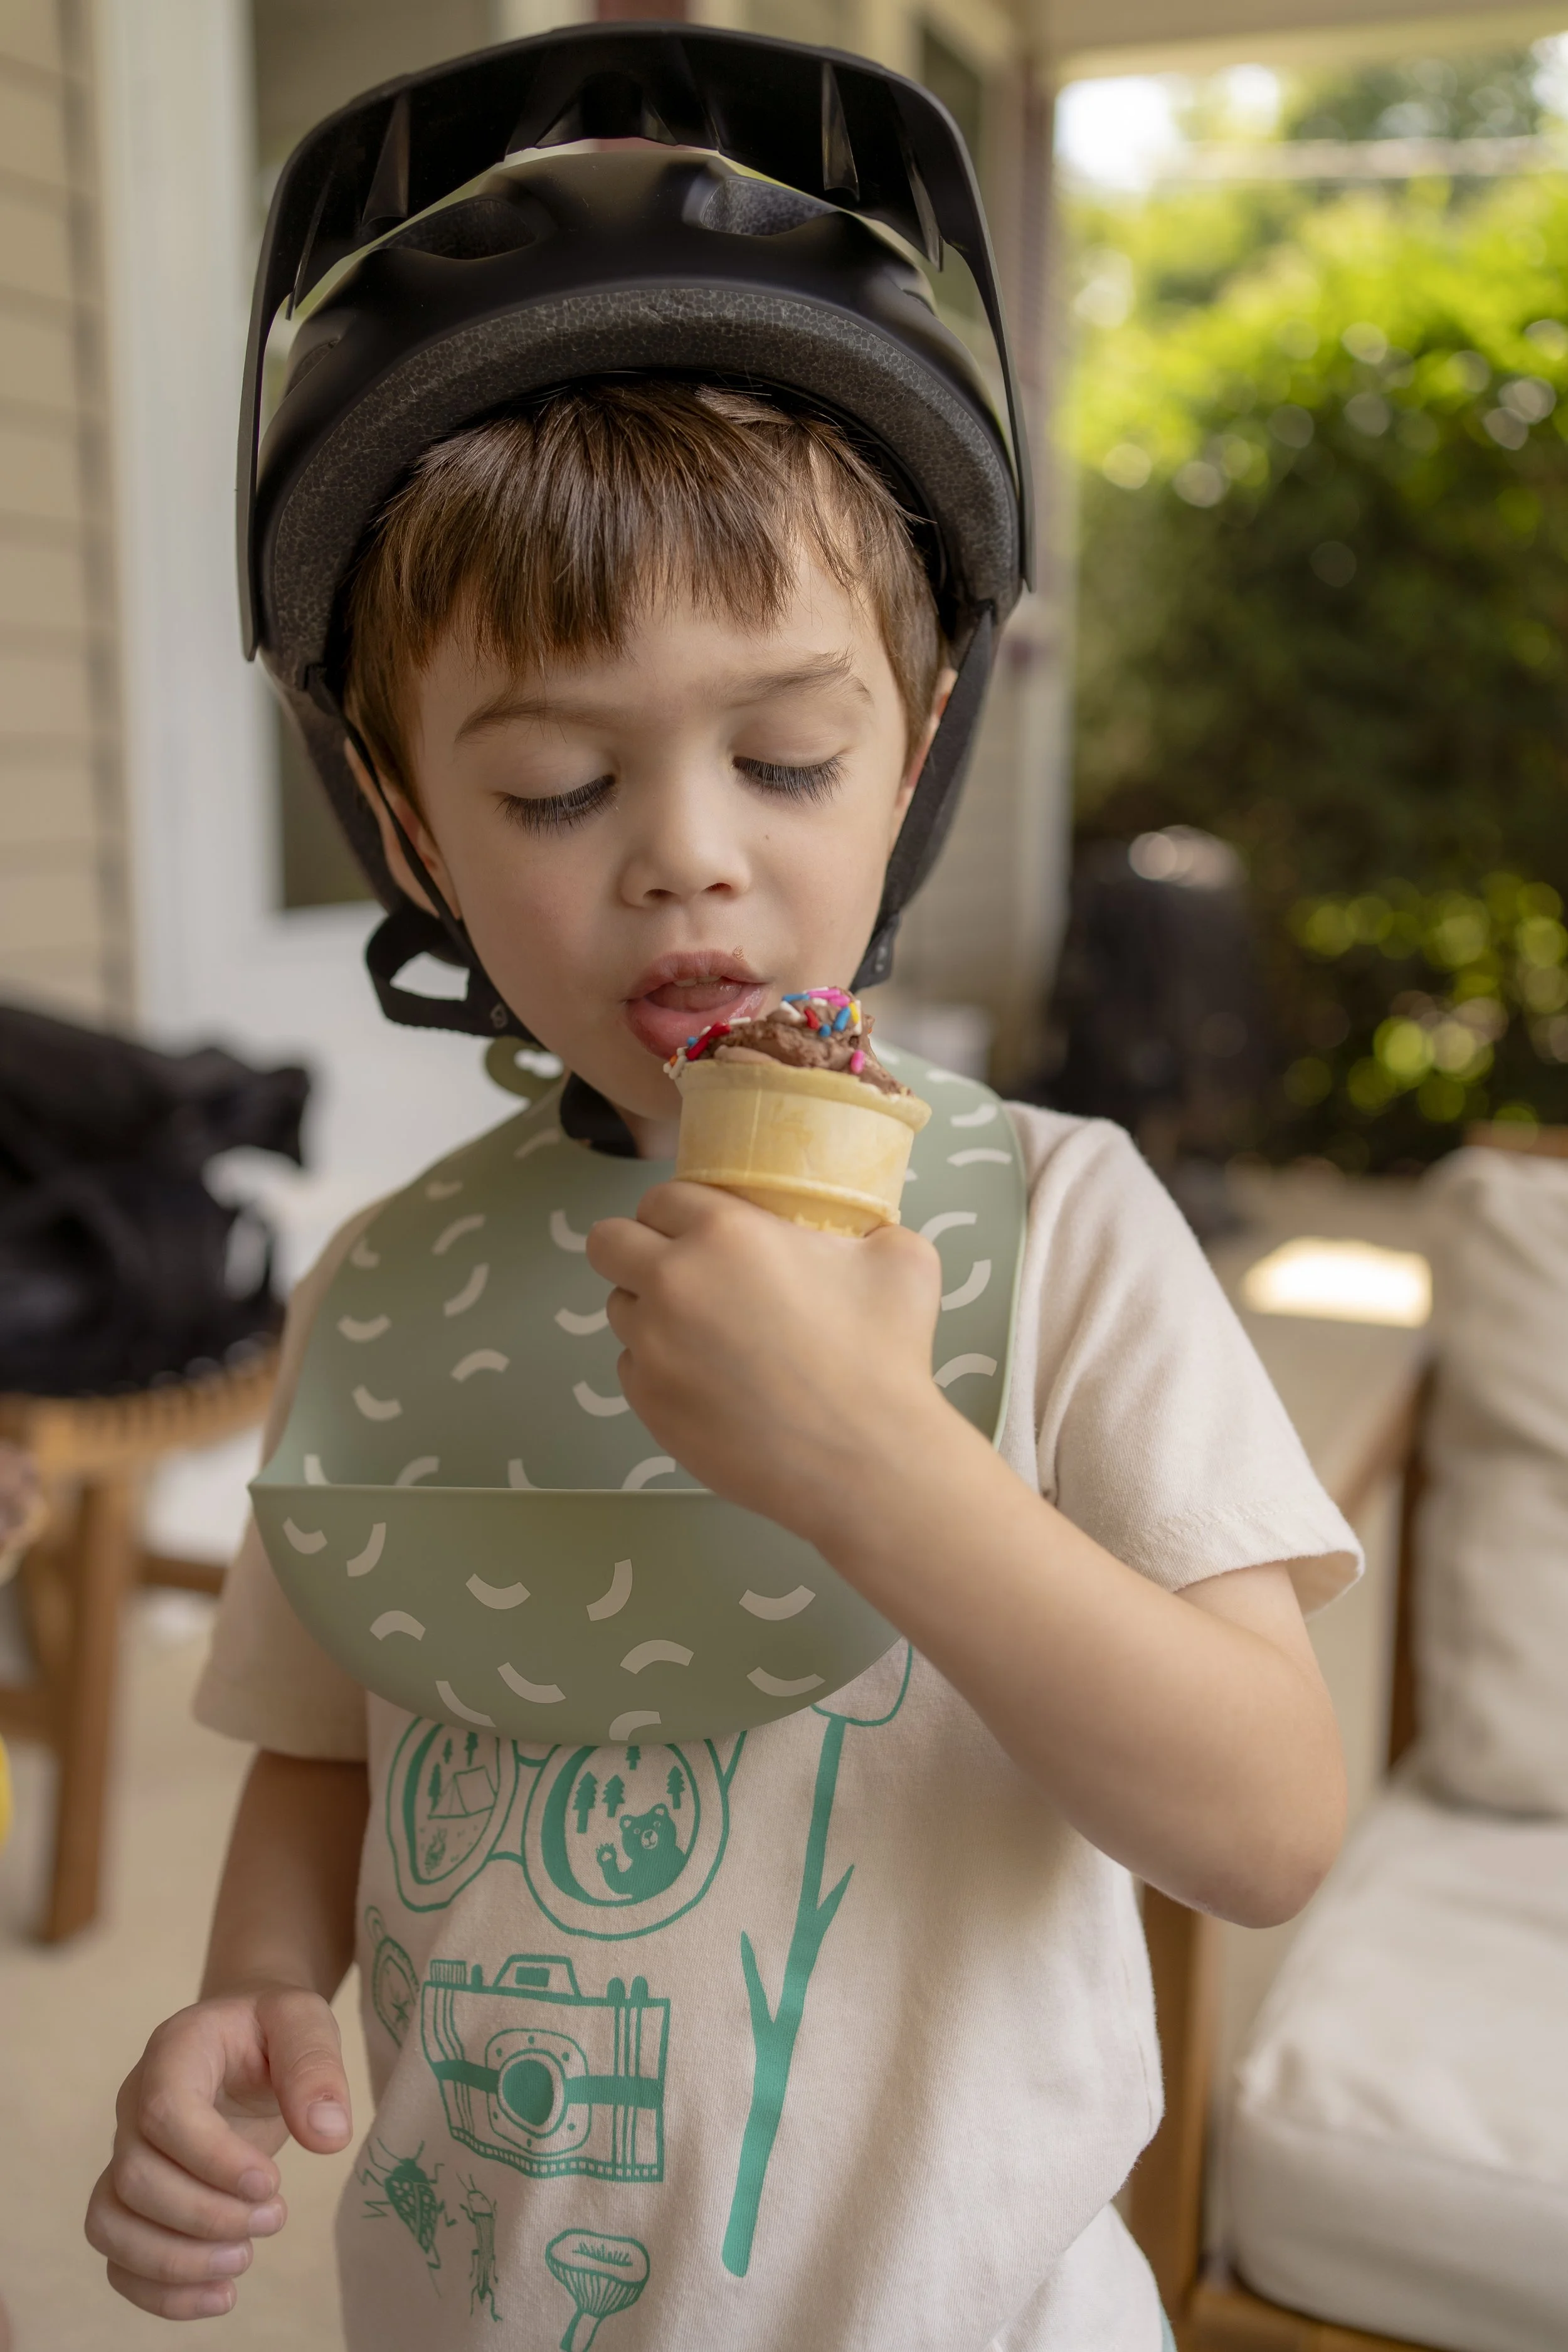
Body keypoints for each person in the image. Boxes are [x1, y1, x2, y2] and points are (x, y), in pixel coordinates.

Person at [85, 31, 1357, 2350]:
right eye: (559, 783)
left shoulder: (1061, 1225)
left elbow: (1263, 1822)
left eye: (784, 752)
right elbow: (318, 1729)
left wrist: (879, 1464)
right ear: (401, 824)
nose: (689, 850)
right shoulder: (388, 1283)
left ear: (923, 731)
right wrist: (241, 2003)